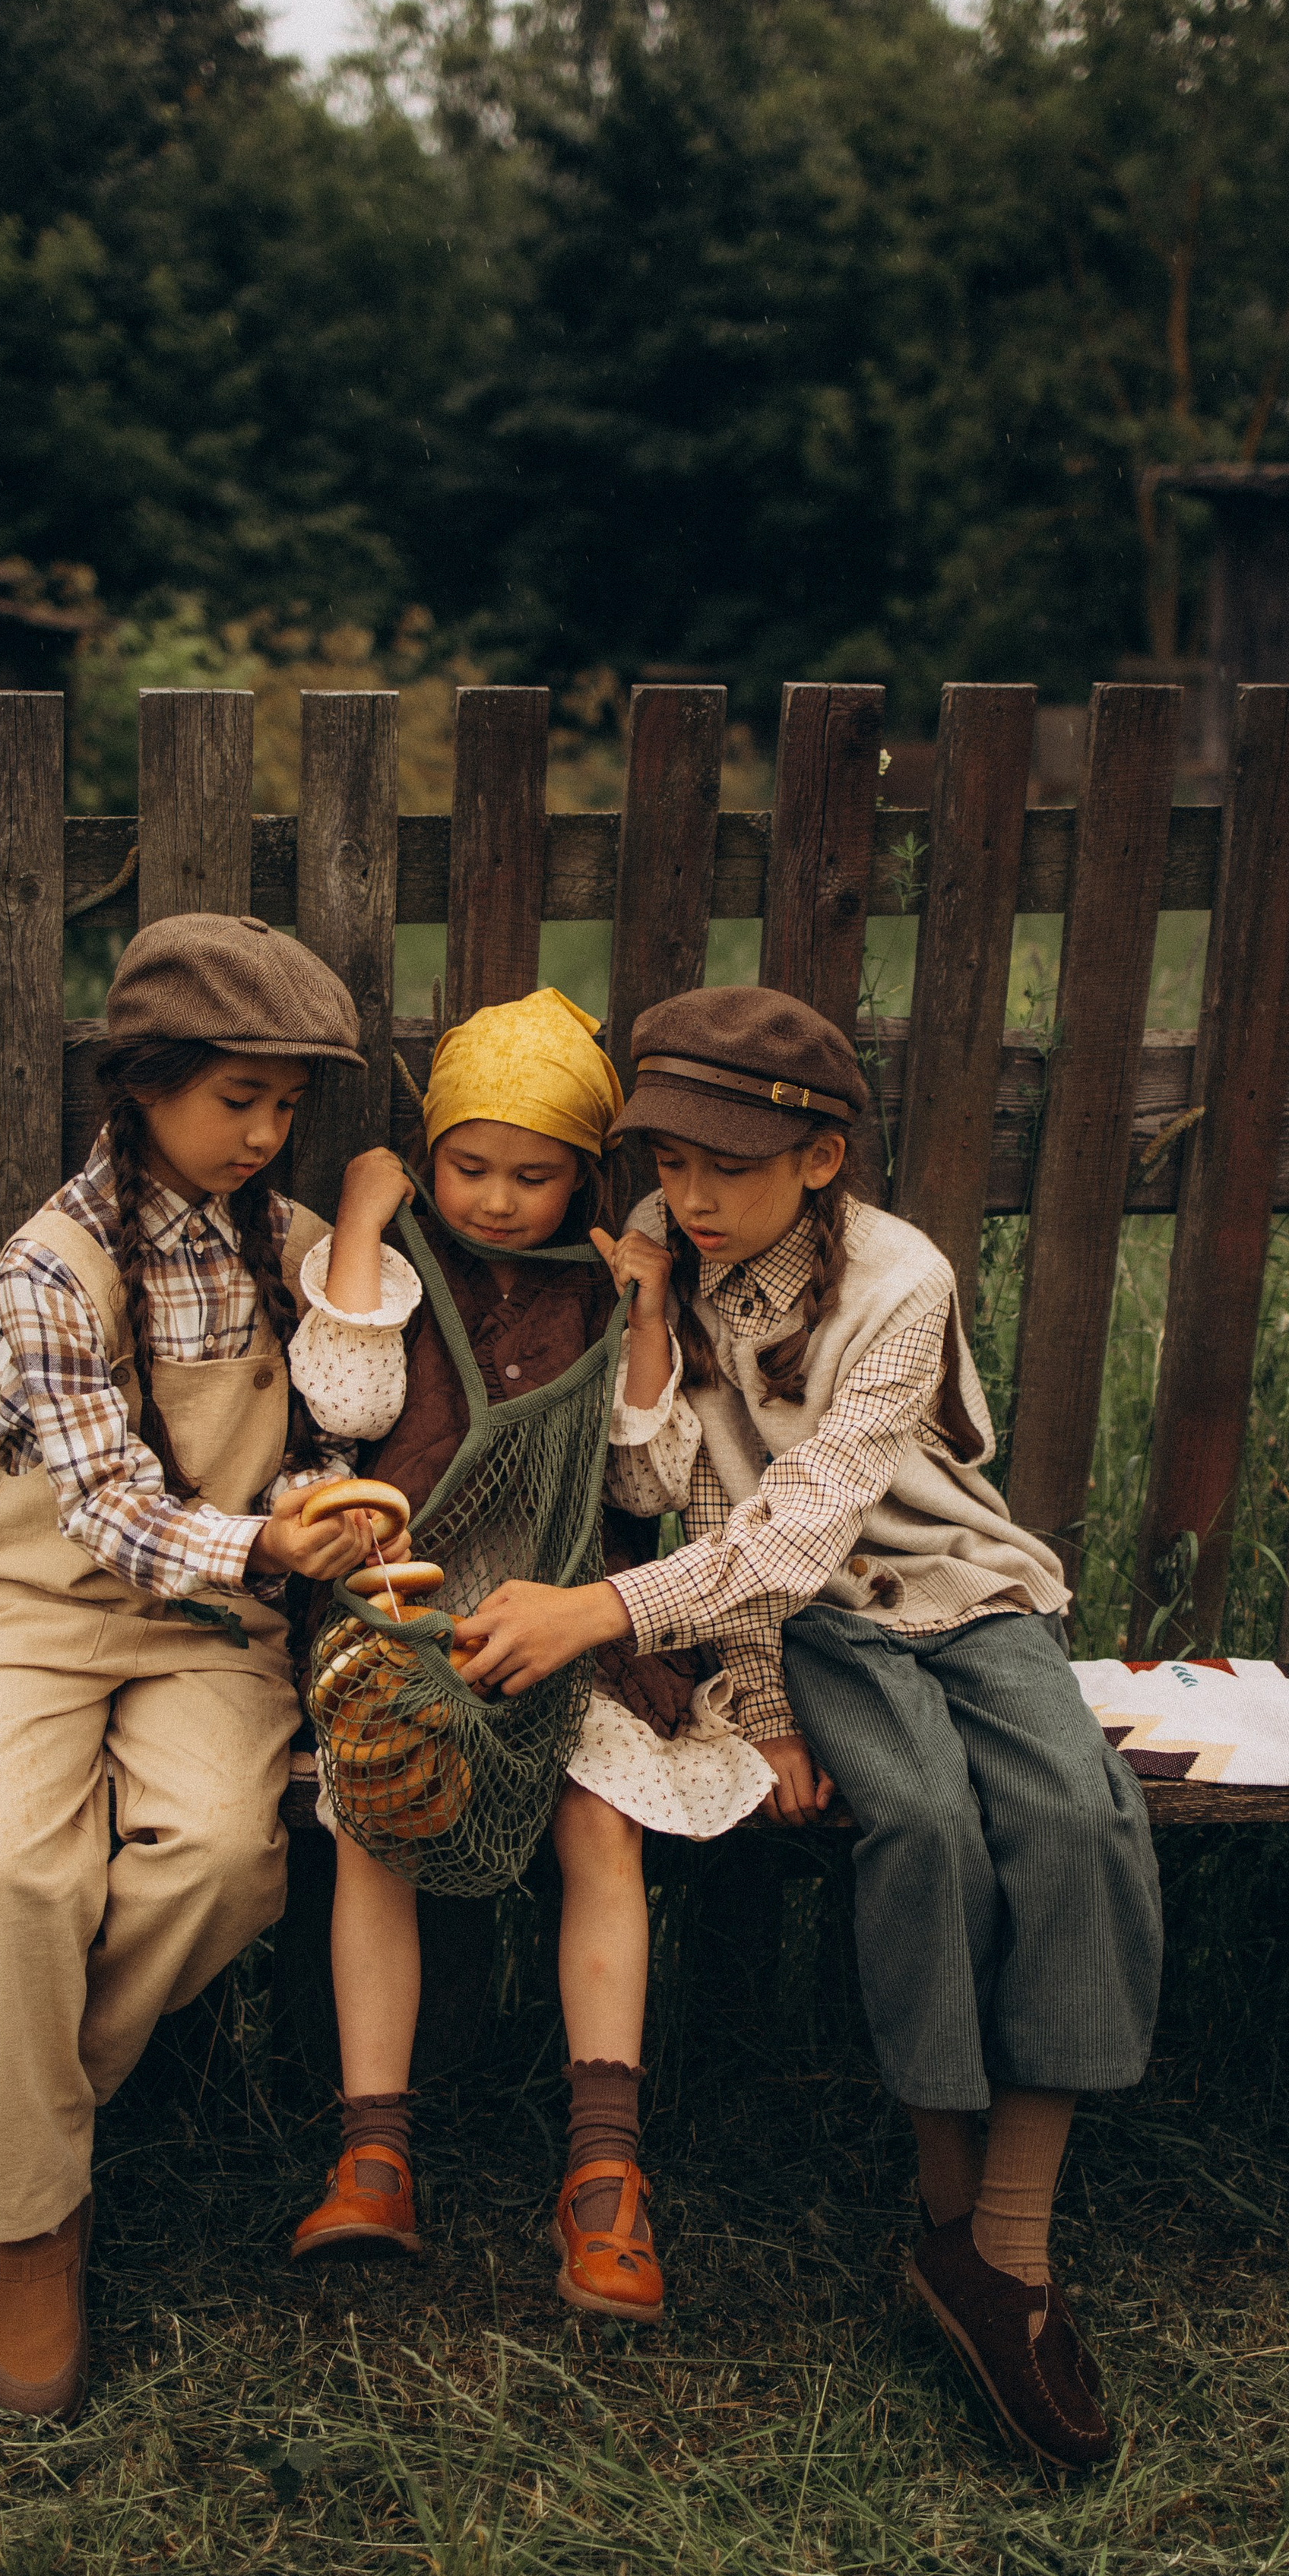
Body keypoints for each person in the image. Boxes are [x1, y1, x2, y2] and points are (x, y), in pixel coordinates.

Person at [454, 986, 1164, 2468]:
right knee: (916, 1818)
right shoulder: (669, 1248)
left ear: (822, 1156)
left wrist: (592, 1614)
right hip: (806, 1622)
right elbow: (669, 1488)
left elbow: (796, 1517)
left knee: (1075, 1815)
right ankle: (941, 2216)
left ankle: (1004, 2256)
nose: (693, 1193)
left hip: (957, 1588)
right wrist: (648, 1315)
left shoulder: (899, 1283)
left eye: (731, 1163)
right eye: (673, 1157)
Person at [0, 913, 405, 2420]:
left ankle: (0, 2124)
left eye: (283, 1106)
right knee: (8, 1873)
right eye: (232, 1098)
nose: (262, 1132)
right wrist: (265, 1546)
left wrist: (328, 1501)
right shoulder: (49, 1264)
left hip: (213, 1634)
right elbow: (106, 1503)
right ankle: (33, 2233)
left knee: (218, 1863)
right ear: (140, 1085)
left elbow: (337, 1418)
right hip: (44, 1616)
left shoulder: (303, 1246)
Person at [281, 988, 780, 2322]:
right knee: (377, 1815)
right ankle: (374, 2146)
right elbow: (345, 1402)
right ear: (430, 1154)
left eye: (537, 1175)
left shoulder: (603, 1289)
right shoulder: (399, 1273)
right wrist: (368, 1220)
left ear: (587, 1175)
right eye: (470, 1168)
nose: (500, 1201)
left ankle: (604, 2171)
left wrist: (651, 1313)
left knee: (599, 1825)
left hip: (570, 1616)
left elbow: (650, 1471)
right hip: (413, 1607)